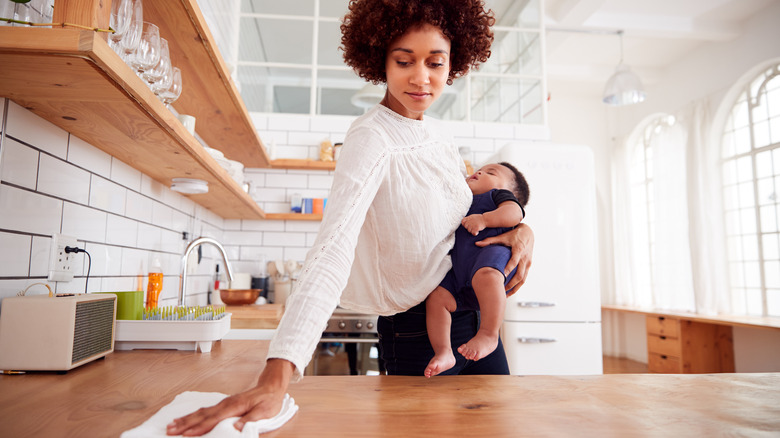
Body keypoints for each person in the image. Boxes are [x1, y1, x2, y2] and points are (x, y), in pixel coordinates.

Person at [166, 1, 534, 435]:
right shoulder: (371, 138)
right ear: (379, 58)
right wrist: (275, 375)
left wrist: (521, 229)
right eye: (404, 61)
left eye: (436, 62)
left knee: (497, 428)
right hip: (418, 331)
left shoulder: (440, 135)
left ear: (454, 63)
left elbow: (459, 217)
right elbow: (332, 248)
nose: (421, 77)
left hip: (473, 317)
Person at [425, 162, 530, 378]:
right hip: (462, 271)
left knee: (487, 276)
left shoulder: (497, 197)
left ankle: (489, 334)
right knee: (437, 297)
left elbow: (515, 214)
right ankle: (444, 352)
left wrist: (484, 219)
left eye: (491, 172)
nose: (480, 172)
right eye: (479, 170)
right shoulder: (462, 200)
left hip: (491, 256)